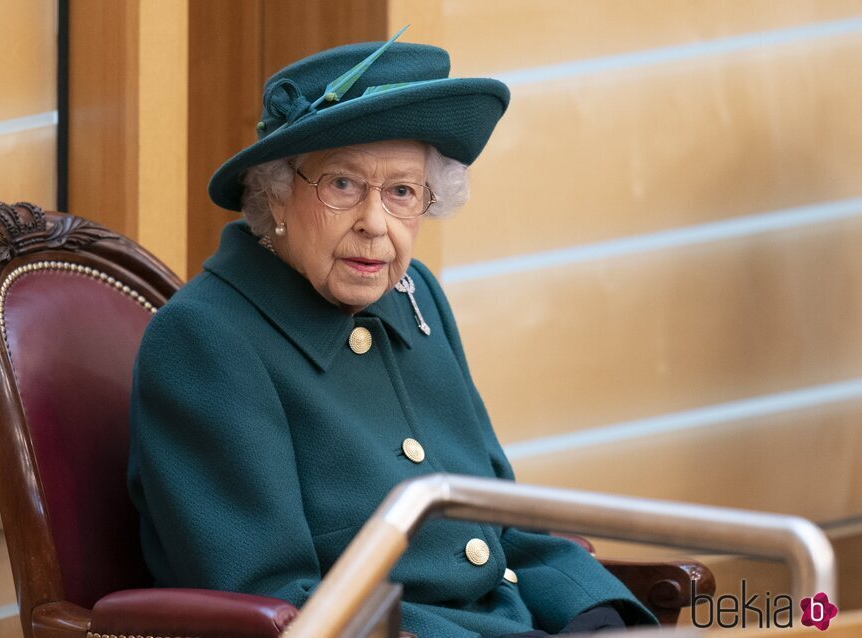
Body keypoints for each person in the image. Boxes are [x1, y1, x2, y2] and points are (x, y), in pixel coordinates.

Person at [127, 32, 658, 637]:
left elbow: (500, 520)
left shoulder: (413, 293)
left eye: (402, 191)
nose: (375, 225)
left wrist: (597, 613)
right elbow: (275, 604)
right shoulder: (205, 340)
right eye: (342, 185)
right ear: (276, 192)